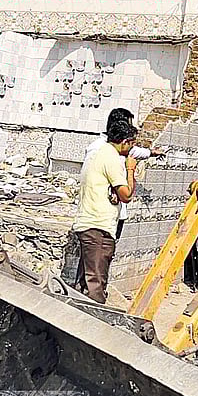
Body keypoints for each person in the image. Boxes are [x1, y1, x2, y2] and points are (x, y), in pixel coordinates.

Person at [72, 119, 138, 303]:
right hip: (97, 227)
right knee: (96, 283)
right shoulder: (111, 158)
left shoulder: (100, 152)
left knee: (87, 280)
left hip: (91, 224)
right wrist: (130, 171)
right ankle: (94, 323)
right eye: (131, 143)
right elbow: (126, 195)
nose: (131, 148)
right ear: (124, 141)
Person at [84, 107, 166, 240]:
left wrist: (152, 152)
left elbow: (136, 151)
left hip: (115, 212)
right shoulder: (97, 148)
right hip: (99, 215)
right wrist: (130, 170)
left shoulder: (121, 148)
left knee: (108, 251)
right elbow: (92, 177)